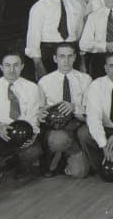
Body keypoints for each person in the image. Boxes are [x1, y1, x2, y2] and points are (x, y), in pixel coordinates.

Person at [0, 49, 45, 185]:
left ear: (22, 67)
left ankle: (20, 167)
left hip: (21, 136)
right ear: (1, 67)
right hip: (0, 135)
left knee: (34, 151)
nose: (12, 70)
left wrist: (31, 136)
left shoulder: (32, 88)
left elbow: (33, 118)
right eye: (7, 65)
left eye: (16, 65)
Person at [36, 42, 91, 178]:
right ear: (55, 58)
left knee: (80, 172)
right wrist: (42, 113)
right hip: (57, 129)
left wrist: (74, 107)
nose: (66, 60)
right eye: (61, 56)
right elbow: (38, 110)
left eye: (69, 56)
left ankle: (64, 158)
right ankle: (56, 154)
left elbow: (91, 109)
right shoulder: (44, 82)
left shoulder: (85, 79)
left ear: (74, 57)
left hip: (77, 125)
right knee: (58, 140)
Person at [25, 0, 83, 78]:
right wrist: (38, 65)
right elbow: (33, 39)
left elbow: (79, 35)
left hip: (71, 53)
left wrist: (81, 61)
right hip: (49, 55)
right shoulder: (39, 6)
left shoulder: (76, 4)